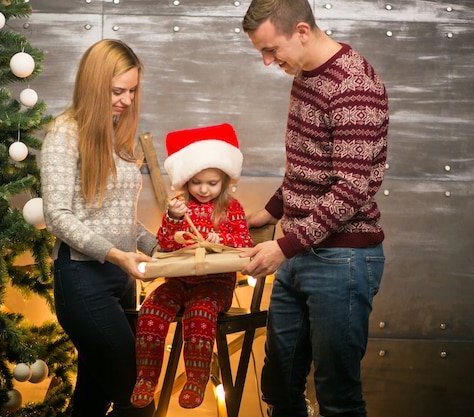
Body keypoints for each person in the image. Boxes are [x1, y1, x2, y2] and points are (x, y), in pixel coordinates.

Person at [238, 1, 389, 417]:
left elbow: (351, 187)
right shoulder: (304, 75)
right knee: (279, 384)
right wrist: (269, 212)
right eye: (262, 53)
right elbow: (309, 164)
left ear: (302, 31)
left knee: (336, 396)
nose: (269, 62)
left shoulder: (353, 85)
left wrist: (284, 247)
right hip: (300, 251)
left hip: (343, 259)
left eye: (272, 50)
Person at [40, 39, 158, 417]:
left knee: (92, 400)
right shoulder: (64, 133)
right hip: (82, 280)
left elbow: (119, 217)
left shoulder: (116, 136)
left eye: (132, 91)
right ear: (94, 85)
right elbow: (57, 215)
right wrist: (114, 254)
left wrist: (164, 249)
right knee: (136, 396)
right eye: (117, 91)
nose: (125, 99)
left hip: (121, 281)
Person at [130, 123, 253, 410]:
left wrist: (219, 237)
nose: (204, 189)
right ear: (186, 181)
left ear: (224, 180)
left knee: (199, 313)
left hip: (215, 284)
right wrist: (172, 219)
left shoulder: (230, 208)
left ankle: (196, 379)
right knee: (150, 309)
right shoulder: (179, 206)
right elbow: (164, 245)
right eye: (197, 182)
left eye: (212, 183)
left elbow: (245, 242)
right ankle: (146, 379)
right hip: (178, 282)